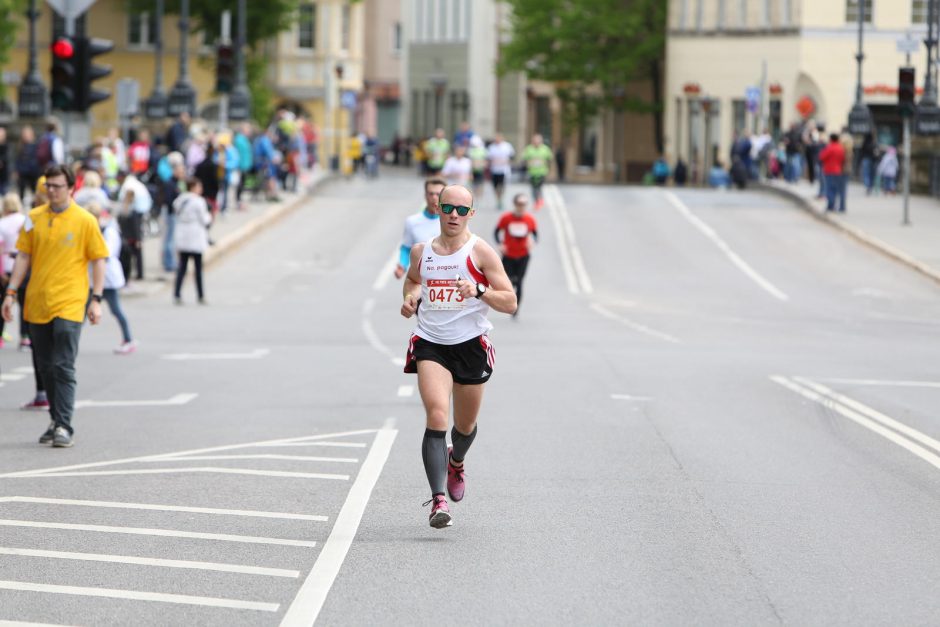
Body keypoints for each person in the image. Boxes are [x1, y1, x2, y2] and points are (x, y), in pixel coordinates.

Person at [400, 184, 517, 528]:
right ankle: (438, 501)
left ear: (471, 214)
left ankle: (457, 461)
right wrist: (411, 297)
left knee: (464, 427)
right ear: (437, 208)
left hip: (470, 345)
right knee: (436, 415)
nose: (454, 215)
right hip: (430, 342)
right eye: (448, 208)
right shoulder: (422, 253)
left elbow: (510, 302)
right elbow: (412, 281)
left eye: (461, 210)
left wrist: (479, 290)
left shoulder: (480, 252)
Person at [1, 164, 108, 448]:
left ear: (71, 188)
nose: (51, 191)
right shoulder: (33, 218)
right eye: (48, 185)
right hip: (37, 300)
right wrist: (11, 292)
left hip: (71, 301)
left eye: (57, 186)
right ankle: (55, 419)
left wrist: (96, 299)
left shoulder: (85, 220)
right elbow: (23, 256)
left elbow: (99, 259)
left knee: (63, 364)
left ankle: (64, 425)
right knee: (46, 366)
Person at [85, 201, 135, 354]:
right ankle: (69, 342)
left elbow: (106, 254)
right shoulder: (89, 232)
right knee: (82, 312)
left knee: (116, 310)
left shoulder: (108, 231)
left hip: (108, 279)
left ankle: (128, 339)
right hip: (93, 279)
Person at [494, 193, 537, 318]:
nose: (521, 207)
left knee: (519, 282)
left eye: (523, 204)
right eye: (519, 204)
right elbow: (496, 232)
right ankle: (510, 301)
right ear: (515, 204)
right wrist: (500, 244)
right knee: (509, 281)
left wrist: (532, 242)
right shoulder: (506, 218)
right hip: (508, 255)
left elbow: (535, 234)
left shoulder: (529, 219)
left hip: (523, 255)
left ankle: (515, 308)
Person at [394, 177, 444, 280]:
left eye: (438, 194)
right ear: (425, 196)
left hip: (443, 282)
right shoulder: (412, 221)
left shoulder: (451, 222)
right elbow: (406, 248)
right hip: (419, 281)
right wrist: (402, 265)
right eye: (431, 194)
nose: (434, 198)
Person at [172, 177, 212, 305]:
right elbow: (204, 219)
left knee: (182, 268)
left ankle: (177, 294)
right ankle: (200, 295)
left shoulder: (179, 200)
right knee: (198, 269)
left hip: (183, 236)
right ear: (193, 187)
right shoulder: (199, 201)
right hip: (195, 236)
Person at [0, 192, 26, 346]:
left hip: (6, 266)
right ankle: (25, 336)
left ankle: (0, 335)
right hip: (24, 268)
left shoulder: (2, 223)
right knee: (25, 304)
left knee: (4, 301)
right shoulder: (26, 221)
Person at [521, 133, 553, 210]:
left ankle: (540, 200)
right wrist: (528, 163)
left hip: (542, 171)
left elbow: (549, 159)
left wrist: (549, 169)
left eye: (538, 140)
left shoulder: (545, 149)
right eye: (535, 140)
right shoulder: (529, 149)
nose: (536, 142)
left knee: (539, 187)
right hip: (532, 172)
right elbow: (524, 159)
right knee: (533, 188)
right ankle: (536, 201)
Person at [486, 133, 514, 211]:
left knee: (501, 186)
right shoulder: (491, 147)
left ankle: (501, 199)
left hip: (503, 170)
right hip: (494, 170)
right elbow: (489, 158)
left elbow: (512, 156)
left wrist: (507, 161)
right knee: (495, 187)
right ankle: (498, 200)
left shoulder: (507, 146)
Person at [819, 133, 846, 212]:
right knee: (835, 189)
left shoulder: (830, 148)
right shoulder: (840, 148)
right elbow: (843, 158)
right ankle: (834, 204)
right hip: (838, 170)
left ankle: (830, 205)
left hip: (829, 170)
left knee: (829, 188)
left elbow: (822, 157)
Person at [15, 126, 40, 202]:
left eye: (28, 134)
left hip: (33, 172)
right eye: (24, 134)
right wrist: (17, 170)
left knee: (34, 191)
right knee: (21, 192)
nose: (26, 136)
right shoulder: (20, 146)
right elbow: (18, 159)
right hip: (22, 172)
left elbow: (37, 159)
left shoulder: (36, 145)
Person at [467, 136, 488, 201]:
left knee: (479, 183)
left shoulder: (483, 150)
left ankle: (478, 196)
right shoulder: (470, 151)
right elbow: (469, 161)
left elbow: (485, 160)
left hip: (480, 170)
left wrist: (483, 165)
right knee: (473, 184)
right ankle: (475, 195)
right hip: (473, 170)